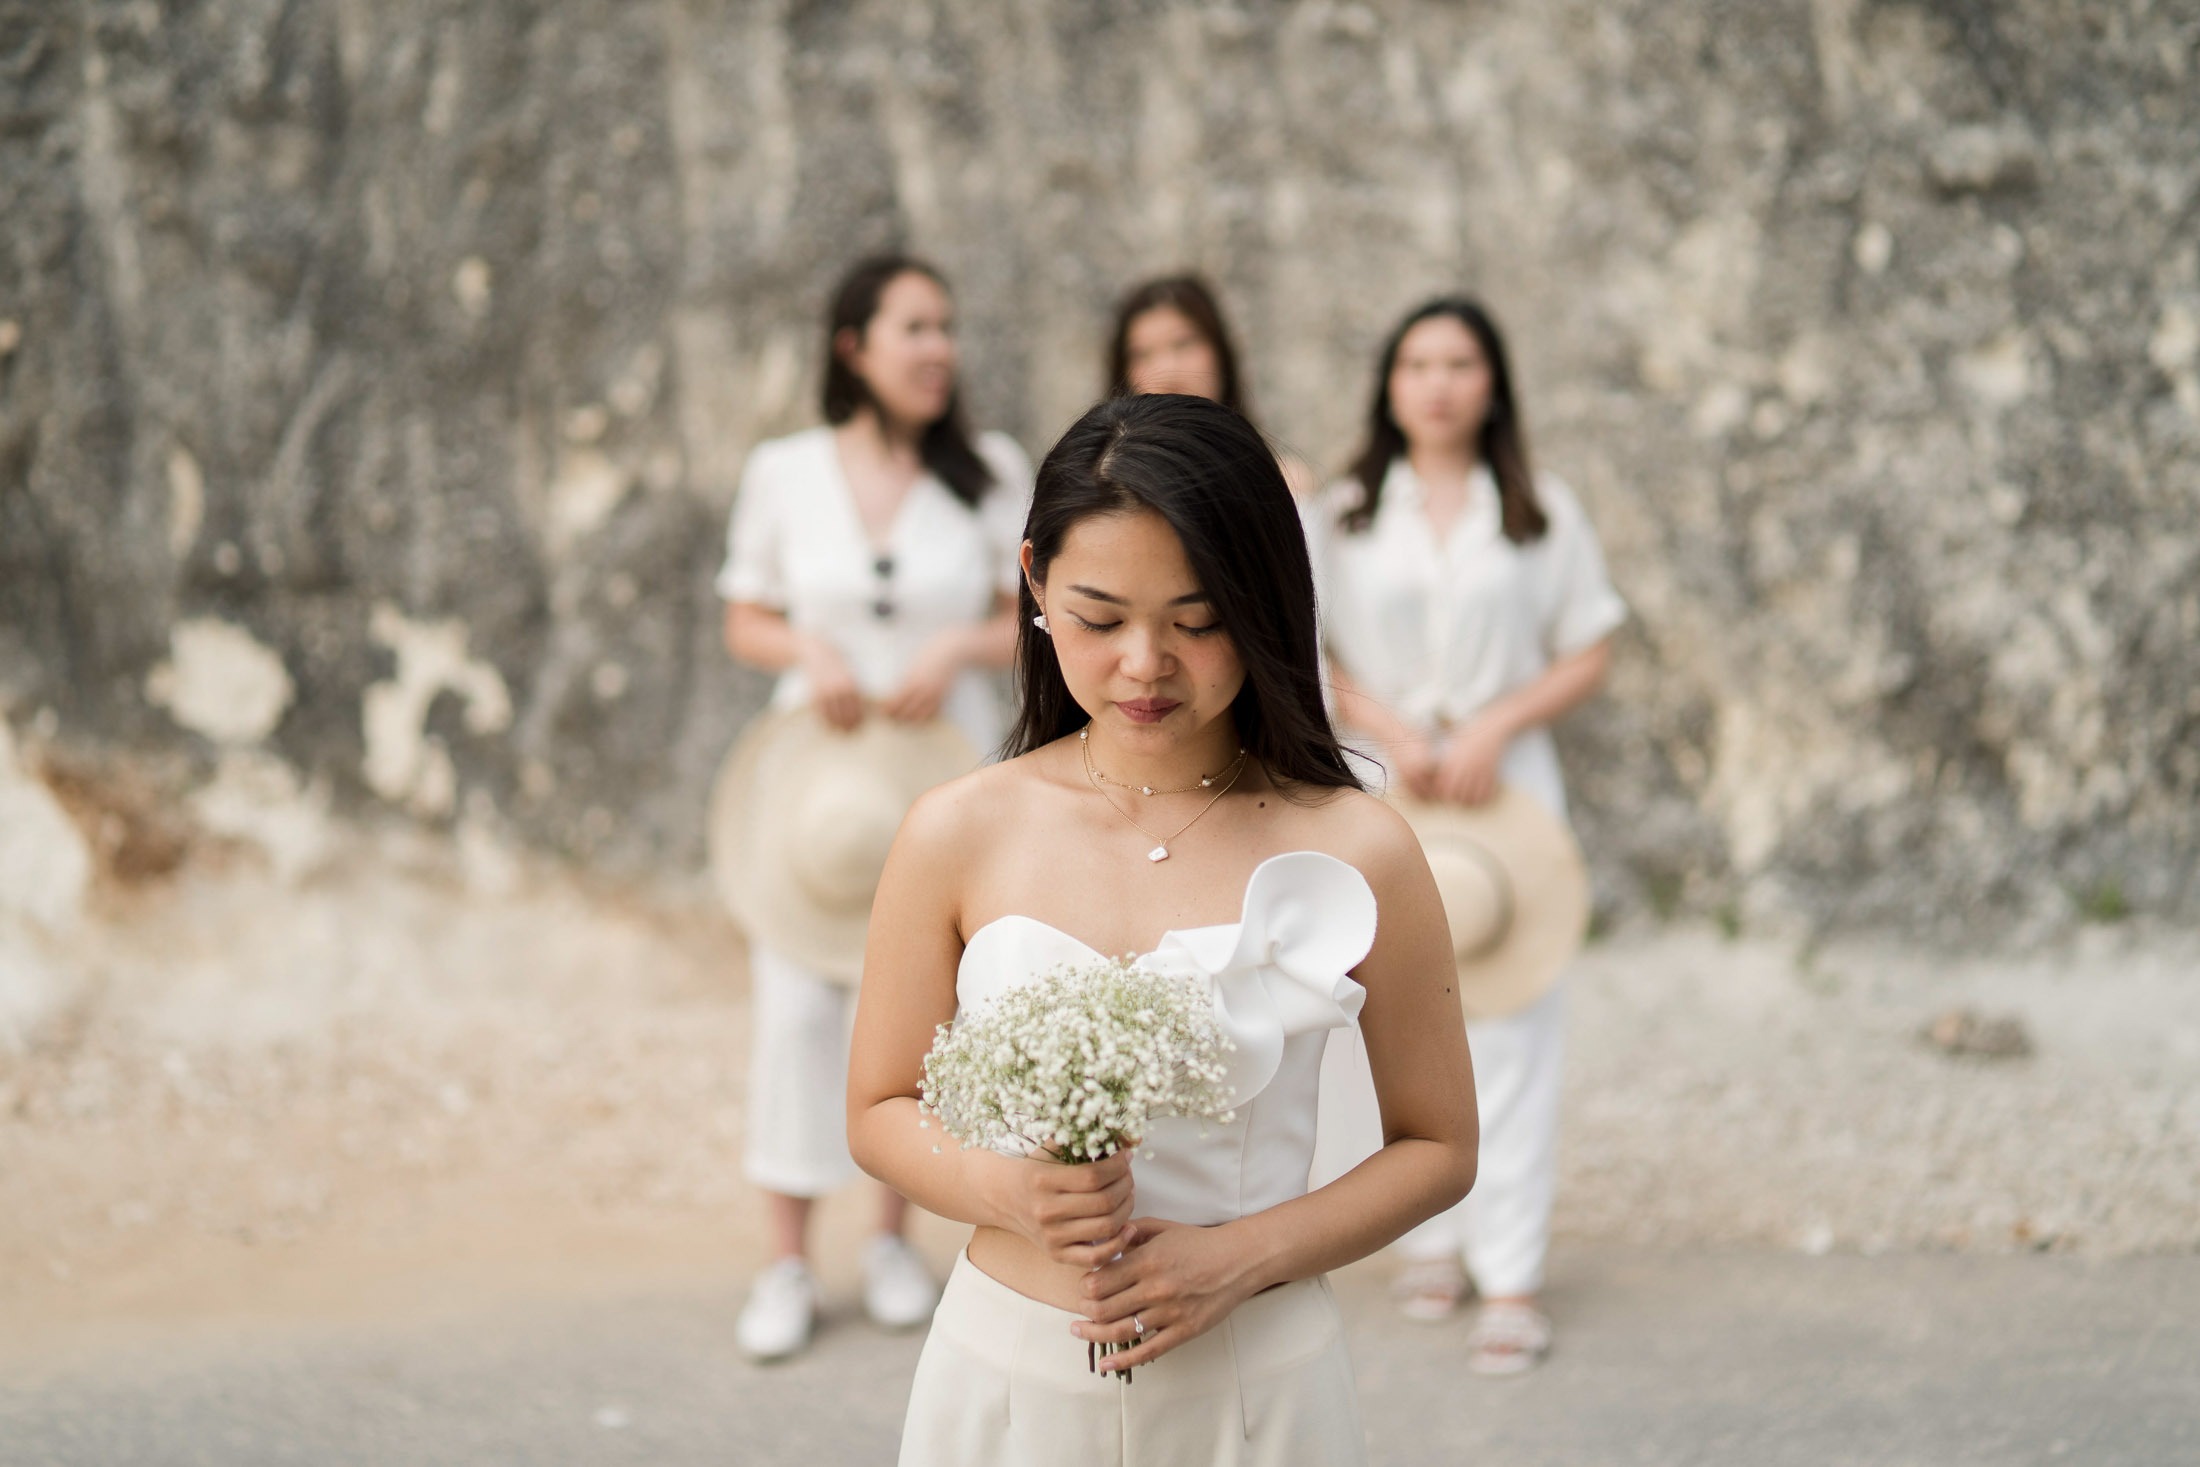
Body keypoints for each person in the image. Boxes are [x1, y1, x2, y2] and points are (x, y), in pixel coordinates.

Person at [848, 393, 1478, 1464]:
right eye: (1100, 619)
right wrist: (1011, 1192)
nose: (1145, 665)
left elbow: (1440, 1145)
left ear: (1266, 604)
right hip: (1002, 1382)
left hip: (1257, 1382)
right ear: (1034, 581)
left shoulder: (1359, 848)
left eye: (1196, 621)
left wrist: (1243, 1256)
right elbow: (876, 1107)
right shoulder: (957, 828)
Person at [717, 254, 1033, 1362]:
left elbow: (1033, 616)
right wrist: (810, 647)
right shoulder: (786, 471)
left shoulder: (986, 471)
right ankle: (786, 1260)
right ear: (853, 345)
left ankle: (893, 1237)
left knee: (923, 1007)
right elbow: (742, 615)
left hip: (940, 771)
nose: (938, 348)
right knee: (797, 1005)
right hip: (819, 784)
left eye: (946, 326)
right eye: (914, 327)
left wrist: (952, 645)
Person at [1308, 297, 1626, 1374]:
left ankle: (1515, 1271)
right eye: (1416, 363)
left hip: (1505, 792)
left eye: (1459, 363)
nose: (1437, 383)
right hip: (1389, 778)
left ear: (1492, 382)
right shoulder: (1348, 511)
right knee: (1390, 1009)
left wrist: (1493, 722)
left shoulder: (1538, 511)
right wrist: (1391, 724)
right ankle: (1430, 1235)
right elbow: (1306, 642)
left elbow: (1589, 645)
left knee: (1517, 1023)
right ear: (1387, 385)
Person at [1106, 274, 1321, 500]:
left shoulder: (1286, 488)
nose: (1166, 369)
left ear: (1220, 351)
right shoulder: (1108, 493)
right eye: (1142, 354)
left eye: (1183, 343)